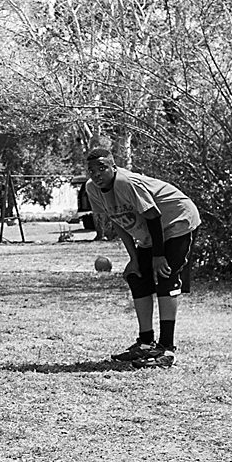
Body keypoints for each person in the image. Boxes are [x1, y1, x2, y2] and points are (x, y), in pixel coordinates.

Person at [83, 147, 201, 369]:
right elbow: (118, 222)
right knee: (137, 276)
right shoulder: (93, 189)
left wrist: (158, 256)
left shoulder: (126, 183)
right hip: (151, 233)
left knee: (165, 276)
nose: (97, 174)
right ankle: (146, 343)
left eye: (102, 168)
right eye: (91, 170)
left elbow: (154, 215)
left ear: (113, 167)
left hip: (176, 221)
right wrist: (134, 258)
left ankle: (166, 349)